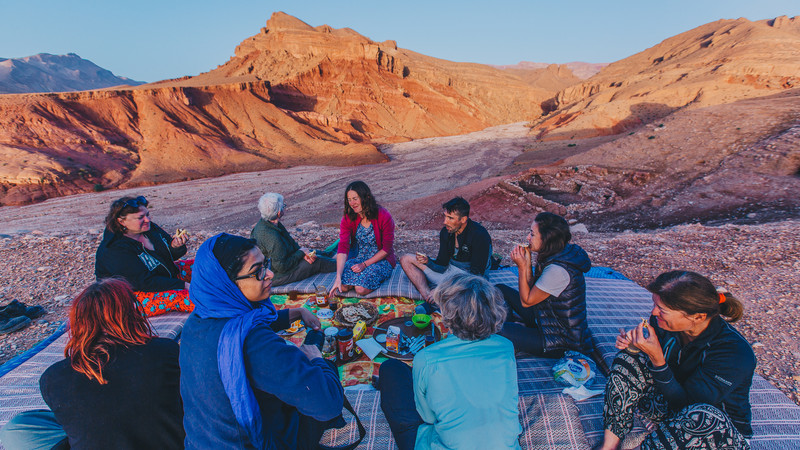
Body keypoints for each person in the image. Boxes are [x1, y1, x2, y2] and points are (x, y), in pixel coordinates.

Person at [180, 233, 344, 449]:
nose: (270, 274)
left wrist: (296, 312)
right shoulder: (255, 344)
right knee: (319, 395)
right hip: (248, 443)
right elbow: (328, 403)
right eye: (257, 272)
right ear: (227, 283)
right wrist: (318, 361)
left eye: (265, 264)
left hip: (202, 441)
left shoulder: (197, 320)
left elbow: (248, 323)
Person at [0, 278, 184, 450]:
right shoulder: (165, 351)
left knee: (18, 428)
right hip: (169, 440)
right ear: (131, 315)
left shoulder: (53, 377)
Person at [597, 271, 754, 450]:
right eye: (655, 305)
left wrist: (658, 360)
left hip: (715, 432)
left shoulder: (734, 353)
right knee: (628, 360)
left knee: (701, 415)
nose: (654, 312)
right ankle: (609, 446)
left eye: (662, 310)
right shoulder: (662, 324)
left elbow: (689, 406)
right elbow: (653, 373)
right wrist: (634, 347)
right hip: (671, 406)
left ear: (698, 317)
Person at [379, 272, 521, 450]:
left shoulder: (427, 358)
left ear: (447, 316)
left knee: (391, 368)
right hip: (504, 446)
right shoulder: (506, 347)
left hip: (445, 444)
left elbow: (428, 417)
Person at [498, 212, 592, 357]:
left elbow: (527, 301)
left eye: (532, 234)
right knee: (500, 290)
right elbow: (533, 290)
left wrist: (522, 267)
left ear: (547, 238)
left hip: (560, 340)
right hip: (544, 318)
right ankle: (516, 331)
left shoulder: (557, 271)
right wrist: (528, 263)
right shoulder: (557, 254)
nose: (528, 238)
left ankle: (515, 336)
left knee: (499, 329)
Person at [95, 195, 193, 316]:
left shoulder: (149, 229)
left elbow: (167, 257)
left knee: (202, 265)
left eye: (147, 214)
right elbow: (144, 282)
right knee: (187, 297)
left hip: (161, 277)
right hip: (133, 296)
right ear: (121, 221)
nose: (147, 220)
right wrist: (182, 285)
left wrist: (175, 247)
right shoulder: (114, 250)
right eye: (140, 217)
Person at [399, 197, 492, 304]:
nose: (445, 222)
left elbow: (477, 276)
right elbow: (442, 265)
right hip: (448, 272)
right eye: (445, 216)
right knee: (405, 259)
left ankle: (439, 297)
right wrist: (428, 262)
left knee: (472, 296)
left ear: (463, 219)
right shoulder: (446, 232)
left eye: (450, 218)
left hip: (467, 280)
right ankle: (428, 297)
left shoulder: (479, 235)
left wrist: (443, 289)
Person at [250, 192, 336, 286]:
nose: (284, 208)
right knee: (317, 262)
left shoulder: (269, 223)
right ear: (279, 213)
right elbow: (282, 267)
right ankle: (342, 266)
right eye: (283, 206)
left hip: (285, 260)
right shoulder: (272, 237)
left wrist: (303, 252)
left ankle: (335, 256)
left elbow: (290, 242)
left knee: (313, 252)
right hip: (277, 275)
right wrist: (301, 253)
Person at [330, 181, 396, 297]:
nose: (352, 203)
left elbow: (386, 249)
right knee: (343, 286)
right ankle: (356, 278)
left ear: (366, 197)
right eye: (349, 199)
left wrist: (364, 265)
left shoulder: (383, 216)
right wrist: (338, 277)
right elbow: (343, 246)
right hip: (359, 258)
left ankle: (378, 277)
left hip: (381, 259)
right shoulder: (348, 218)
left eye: (355, 198)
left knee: (360, 289)